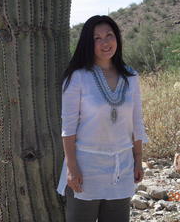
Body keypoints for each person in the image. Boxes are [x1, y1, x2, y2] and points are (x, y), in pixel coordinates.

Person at [56, 15, 149, 222]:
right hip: (86, 169)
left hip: (121, 167)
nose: (105, 42)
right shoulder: (77, 77)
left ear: (117, 38)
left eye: (109, 35)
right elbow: (68, 128)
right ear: (88, 44)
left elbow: (136, 121)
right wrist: (72, 169)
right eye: (97, 38)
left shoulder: (131, 77)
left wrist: (138, 160)